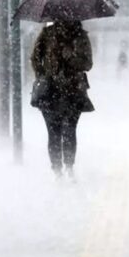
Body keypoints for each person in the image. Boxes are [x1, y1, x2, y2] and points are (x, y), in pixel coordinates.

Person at [30, 20, 94, 180]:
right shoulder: (47, 34)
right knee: (54, 132)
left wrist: (71, 57)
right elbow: (35, 58)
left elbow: (87, 64)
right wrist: (43, 75)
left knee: (69, 130)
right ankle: (57, 169)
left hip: (73, 90)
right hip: (50, 91)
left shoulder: (81, 36)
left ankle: (69, 166)